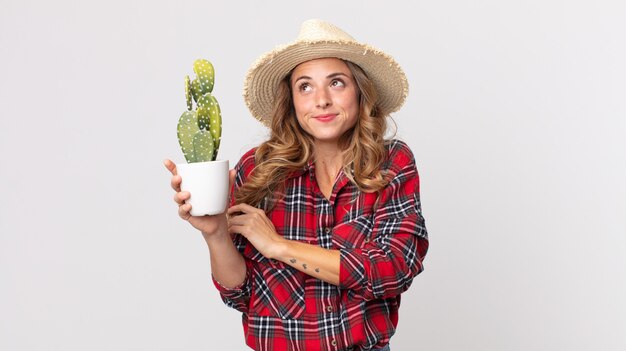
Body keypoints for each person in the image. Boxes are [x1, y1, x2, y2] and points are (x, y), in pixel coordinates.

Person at [164, 19, 428, 351]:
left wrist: (279, 247)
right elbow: (240, 295)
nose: (321, 100)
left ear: (360, 91)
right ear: (291, 100)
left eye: (336, 83)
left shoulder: (391, 163)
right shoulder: (257, 170)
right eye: (305, 86)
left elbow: (393, 270)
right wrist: (215, 232)